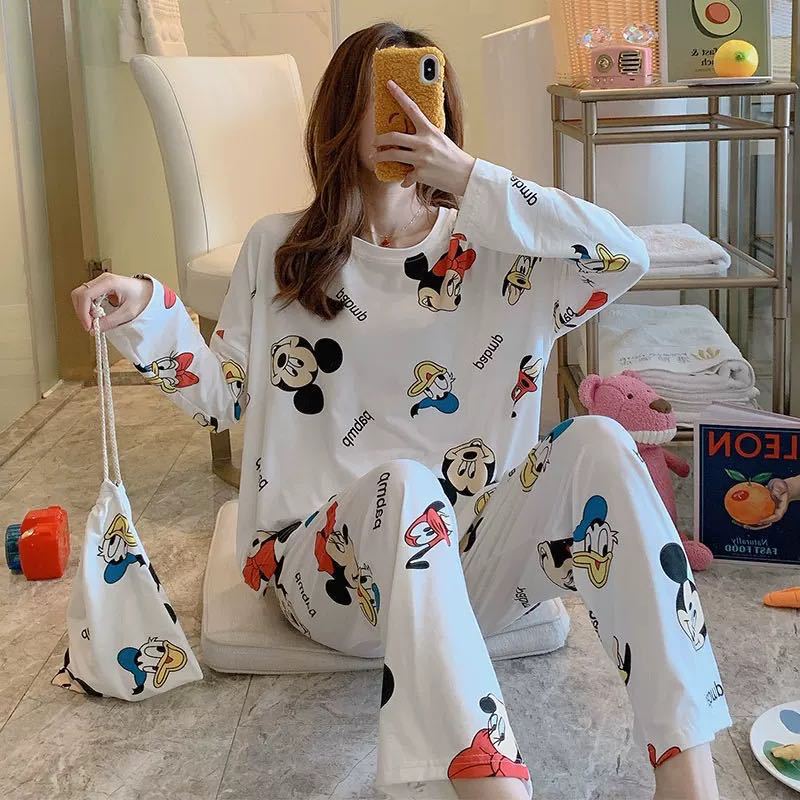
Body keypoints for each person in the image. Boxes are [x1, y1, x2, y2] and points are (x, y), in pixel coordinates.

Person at [72, 22, 731, 800]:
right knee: (407, 488)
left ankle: (688, 782)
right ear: (338, 118)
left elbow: (627, 257)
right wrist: (145, 310)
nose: (401, 116)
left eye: (417, 95)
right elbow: (222, 399)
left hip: (468, 568)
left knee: (600, 443)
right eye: (377, 98)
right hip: (325, 575)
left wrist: (474, 181)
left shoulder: (503, 249)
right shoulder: (280, 250)